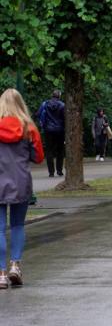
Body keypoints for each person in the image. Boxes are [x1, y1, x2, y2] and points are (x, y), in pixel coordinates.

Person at [0, 89, 44, 288]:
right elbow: (38, 157)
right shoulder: (29, 128)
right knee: (18, 225)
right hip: (20, 181)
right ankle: (15, 265)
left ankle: (0, 273)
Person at [38, 90, 65, 177]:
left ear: (52, 95)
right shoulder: (62, 105)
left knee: (49, 151)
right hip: (60, 130)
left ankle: (51, 172)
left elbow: (38, 114)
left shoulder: (45, 104)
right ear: (59, 96)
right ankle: (59, 171)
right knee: (60, 151)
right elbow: (65, 118)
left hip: (48, 130)